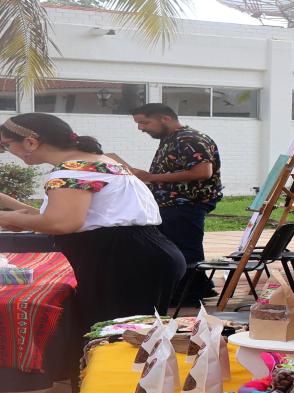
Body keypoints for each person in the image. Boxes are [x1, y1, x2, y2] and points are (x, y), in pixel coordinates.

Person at [0, 113, 186, 331]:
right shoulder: (97, 162)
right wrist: (17, 212)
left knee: (116, 336)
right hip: (142, 254)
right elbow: (68, 216)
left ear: (31, 142)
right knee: (134, 334)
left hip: (121, 261)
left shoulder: (72, 170)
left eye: (7, 145)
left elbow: (62, 223)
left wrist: (6, 217)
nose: (8, 152)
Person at [130, 103, 223, 304]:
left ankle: (188, 295)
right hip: (175, 204)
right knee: (180, 247)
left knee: (184, 249)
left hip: (185, 203)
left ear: (165, 118)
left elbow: (203, 172)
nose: (141, 128)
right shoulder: (172, 138)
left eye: (145, 123)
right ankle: (200, 287)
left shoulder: (189, 138)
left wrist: (152, 178)